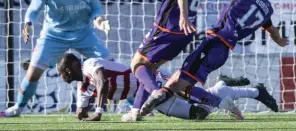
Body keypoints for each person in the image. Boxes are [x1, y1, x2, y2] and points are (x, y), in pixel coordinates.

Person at [139, 0, 289, 120]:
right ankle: (223, 93)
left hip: (214, 43)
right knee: (178, 82)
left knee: (176, 83)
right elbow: (274, 33)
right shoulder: (266, 8)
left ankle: (223, 104)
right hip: (223, 51)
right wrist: (283, 41)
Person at [0, 0, 111, 117]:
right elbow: (33, 10)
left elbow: (95, 8)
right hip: (53, 35)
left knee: (109, 68)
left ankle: (136, 107)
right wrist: (28, 23)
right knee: (33, 72)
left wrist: (99, 20)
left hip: (83, 34)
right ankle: (17, 108)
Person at [127, 0, 219, 120]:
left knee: (137, 63)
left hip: (168, 27)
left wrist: (183, 16)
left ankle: (155, 93)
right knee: (150, 68)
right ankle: (136, 111)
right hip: (186, 31)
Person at [57, 54, 278, 122]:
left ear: (74, 65)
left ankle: (253, 91)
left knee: (196, 94)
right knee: (199, 114)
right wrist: (82, 113)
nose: (63, 76)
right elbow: (81, 110)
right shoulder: (81, 86)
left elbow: (103, 81)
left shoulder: (88, 65)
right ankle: (224, 85)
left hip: (151, 83)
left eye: (64, 71)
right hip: (143, 97)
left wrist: (99, 112)